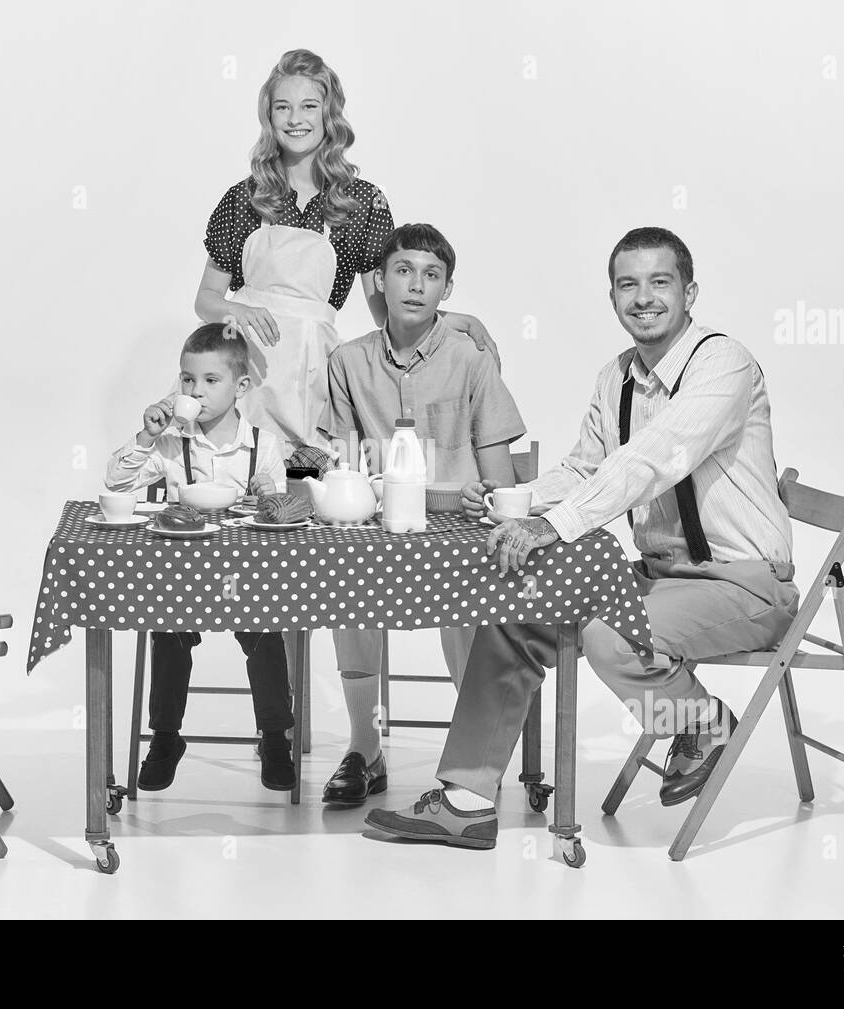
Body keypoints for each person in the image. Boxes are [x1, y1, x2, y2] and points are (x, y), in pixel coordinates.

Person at [366, 227, 799, 849]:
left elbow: (654, 459)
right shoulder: (617, 375)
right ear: (613, 296)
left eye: (660, 282)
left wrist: (553, 526)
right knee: (512, 613)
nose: (644, 297)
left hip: (746, 583)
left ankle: (703, 724)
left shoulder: (722, 363)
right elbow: (585, 470)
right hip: (659, 579)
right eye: (629, 284)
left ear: (690, 291)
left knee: (612, 635)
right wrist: (507, 502)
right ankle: (465, 801)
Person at [154, 48, 497, 458]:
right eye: (282, 107)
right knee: (222, 476)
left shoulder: (362, 203)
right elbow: (205, 299)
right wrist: (238, 312)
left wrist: (442, 319)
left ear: (328, 114)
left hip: (309, 373)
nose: (295, 119)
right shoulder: (244, 199)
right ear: (269, 117)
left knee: (302, 487)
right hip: (240, 369)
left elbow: (384, 312)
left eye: (308, 106)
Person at [316, 223, 527, 805]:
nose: (416, 284)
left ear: (447, 288)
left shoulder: (471, 360)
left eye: (431, 275)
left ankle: (471, 760)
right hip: (379, 527)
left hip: (458, 533)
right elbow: (342, 466)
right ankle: (364, 748)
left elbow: (496, 478)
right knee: (346, 585)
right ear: (379, 280)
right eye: (403, 271)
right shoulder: (348, 361)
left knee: (472, 606)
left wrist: (482, 502)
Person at [104, 322, 295, 791]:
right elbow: (115, 482)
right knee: (167, 636)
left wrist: (268, 495)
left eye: (211, 381)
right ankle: (166, 738)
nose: (197, 391)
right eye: (188, 380)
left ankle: (275, 737)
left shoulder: (263, 446)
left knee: (266, 635)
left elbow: (280, 510)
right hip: (180, 573)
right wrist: (147, 437)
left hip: (247, 576)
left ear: (241, 387)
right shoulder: (172, 442)